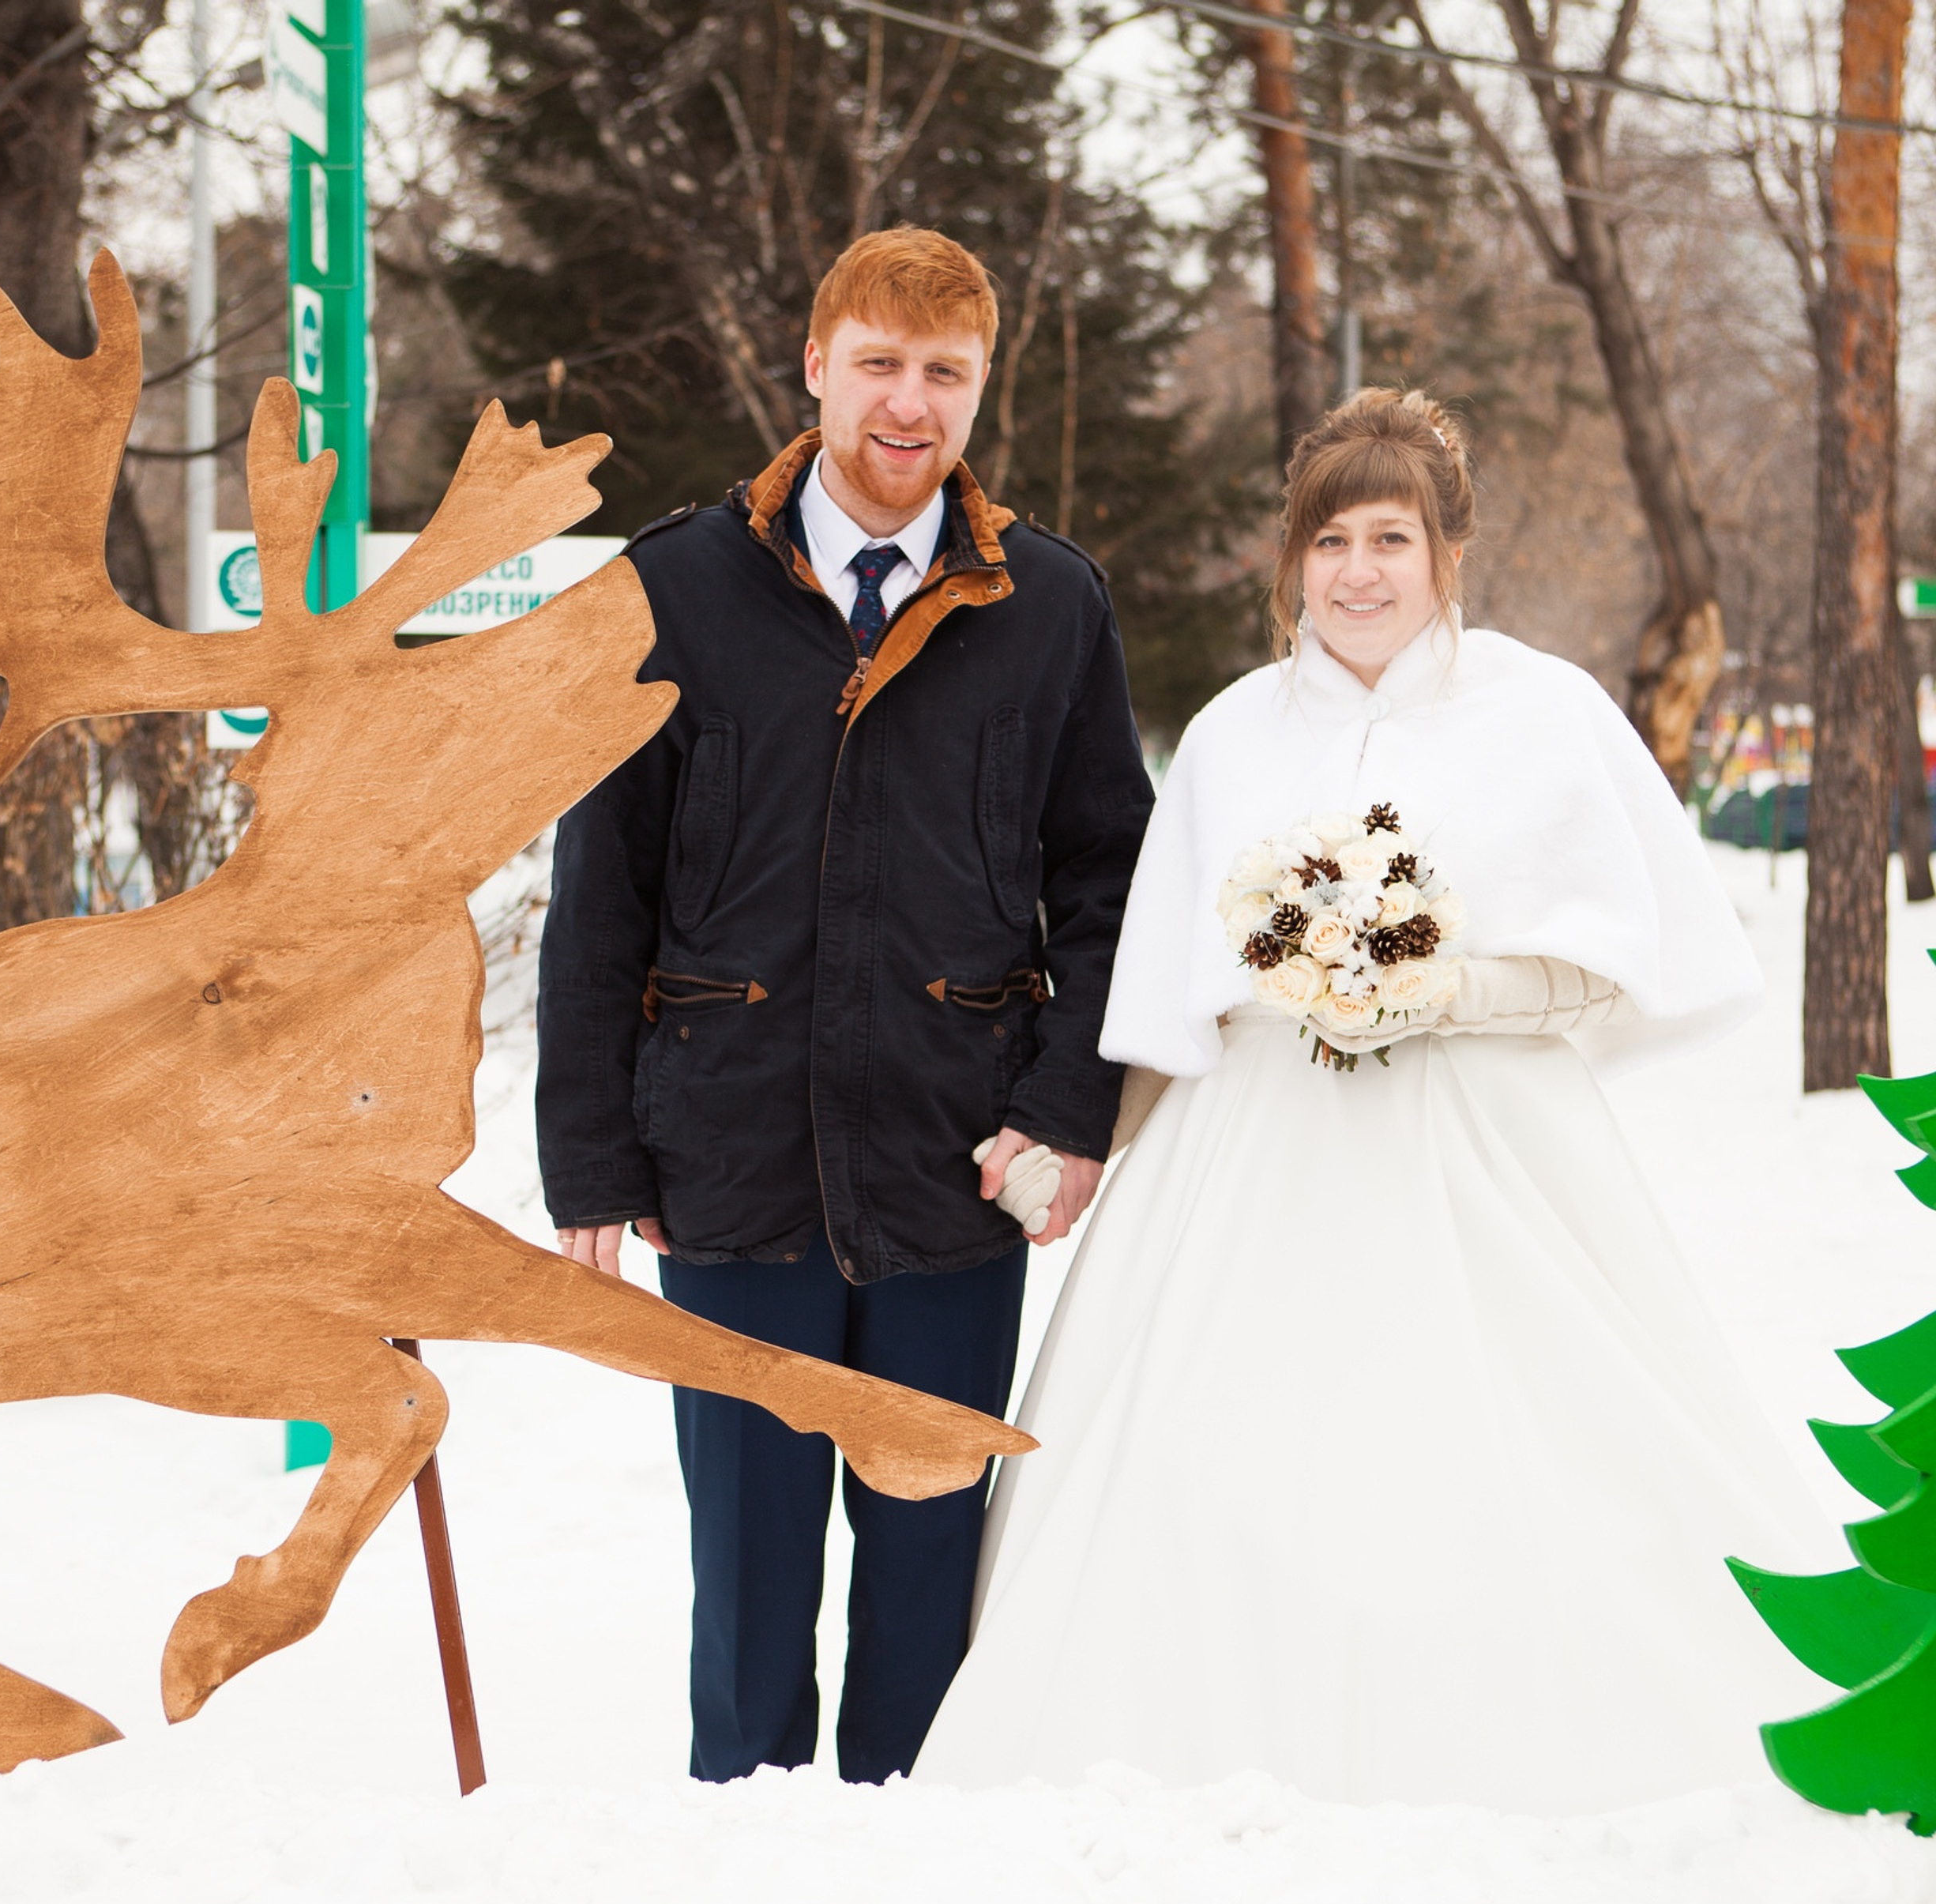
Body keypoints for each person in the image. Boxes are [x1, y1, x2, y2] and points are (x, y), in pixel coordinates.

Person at [914, 388, 1832, 1814]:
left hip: (1480, 1144)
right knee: (1205, 1454)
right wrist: (1091, 1143)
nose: (1358, 571)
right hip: (1250, 1154)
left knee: (1519, 1449)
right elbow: (1171, 988)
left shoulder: (1543, 713)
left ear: (1446, 552)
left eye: (1391, 537)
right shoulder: (1231, 732)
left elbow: (1605, 973)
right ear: (1293, 562)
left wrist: (1439, 989)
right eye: (1329, 539)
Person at [536, 227, 1154, 1786]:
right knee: (743, 1578)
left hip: (955, 1163)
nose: (908, 402)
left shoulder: (1051, 604)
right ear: (813, 368)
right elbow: (599, 888)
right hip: (726, 1167)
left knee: (926, 1572)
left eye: (943, 372)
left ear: (978, 389)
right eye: (878, 361)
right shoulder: (672, 586)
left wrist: (1067, 1113)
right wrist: (594, 1160)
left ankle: (910, 1871)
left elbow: (1107, 884)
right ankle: (738, 1859)